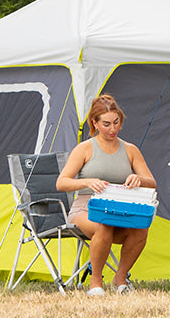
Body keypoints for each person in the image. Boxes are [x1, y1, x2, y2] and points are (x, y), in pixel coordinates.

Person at [57, 94, 157, 295]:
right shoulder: (84, 149)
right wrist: (87, 181)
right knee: (103, 226)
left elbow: (152, 182)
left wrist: (139, 180)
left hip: (119, 209)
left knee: (140, 230)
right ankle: (96, 283)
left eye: (116, 122)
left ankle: (120, 279)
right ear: (94, 123)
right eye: (106, 124)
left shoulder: (130, 150)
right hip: (86, 208)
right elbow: (61, 183)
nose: (113, 129)